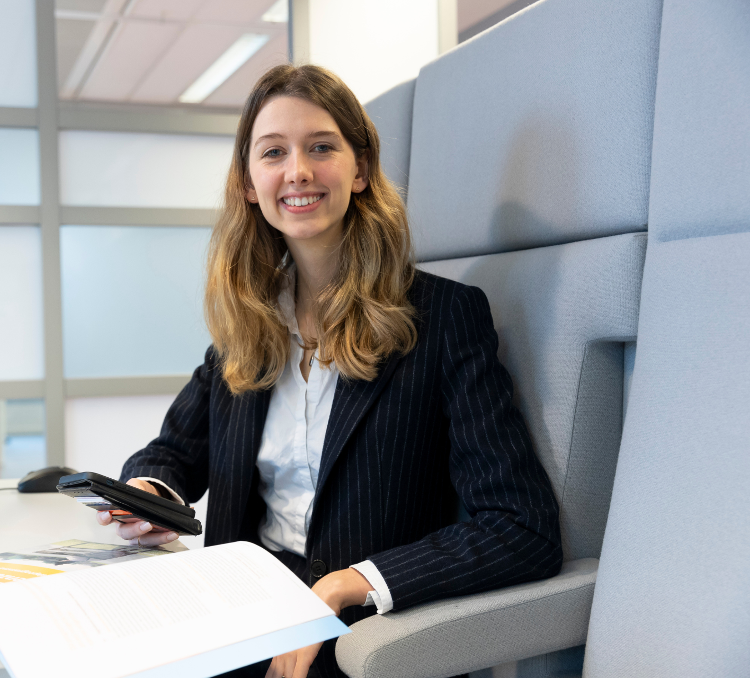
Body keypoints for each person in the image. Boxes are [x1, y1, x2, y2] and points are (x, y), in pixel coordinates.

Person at [97, 64, 562, 678]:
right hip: (241, 615)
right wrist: (153, 494)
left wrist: (352, 584)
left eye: (321, 147)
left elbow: (521, 526)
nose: (297, 171)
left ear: (360, 169)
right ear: (248, 184)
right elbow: (173, 452)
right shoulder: (249, 320)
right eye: (273, 153)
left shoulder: (445, 317)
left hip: (365, 636)